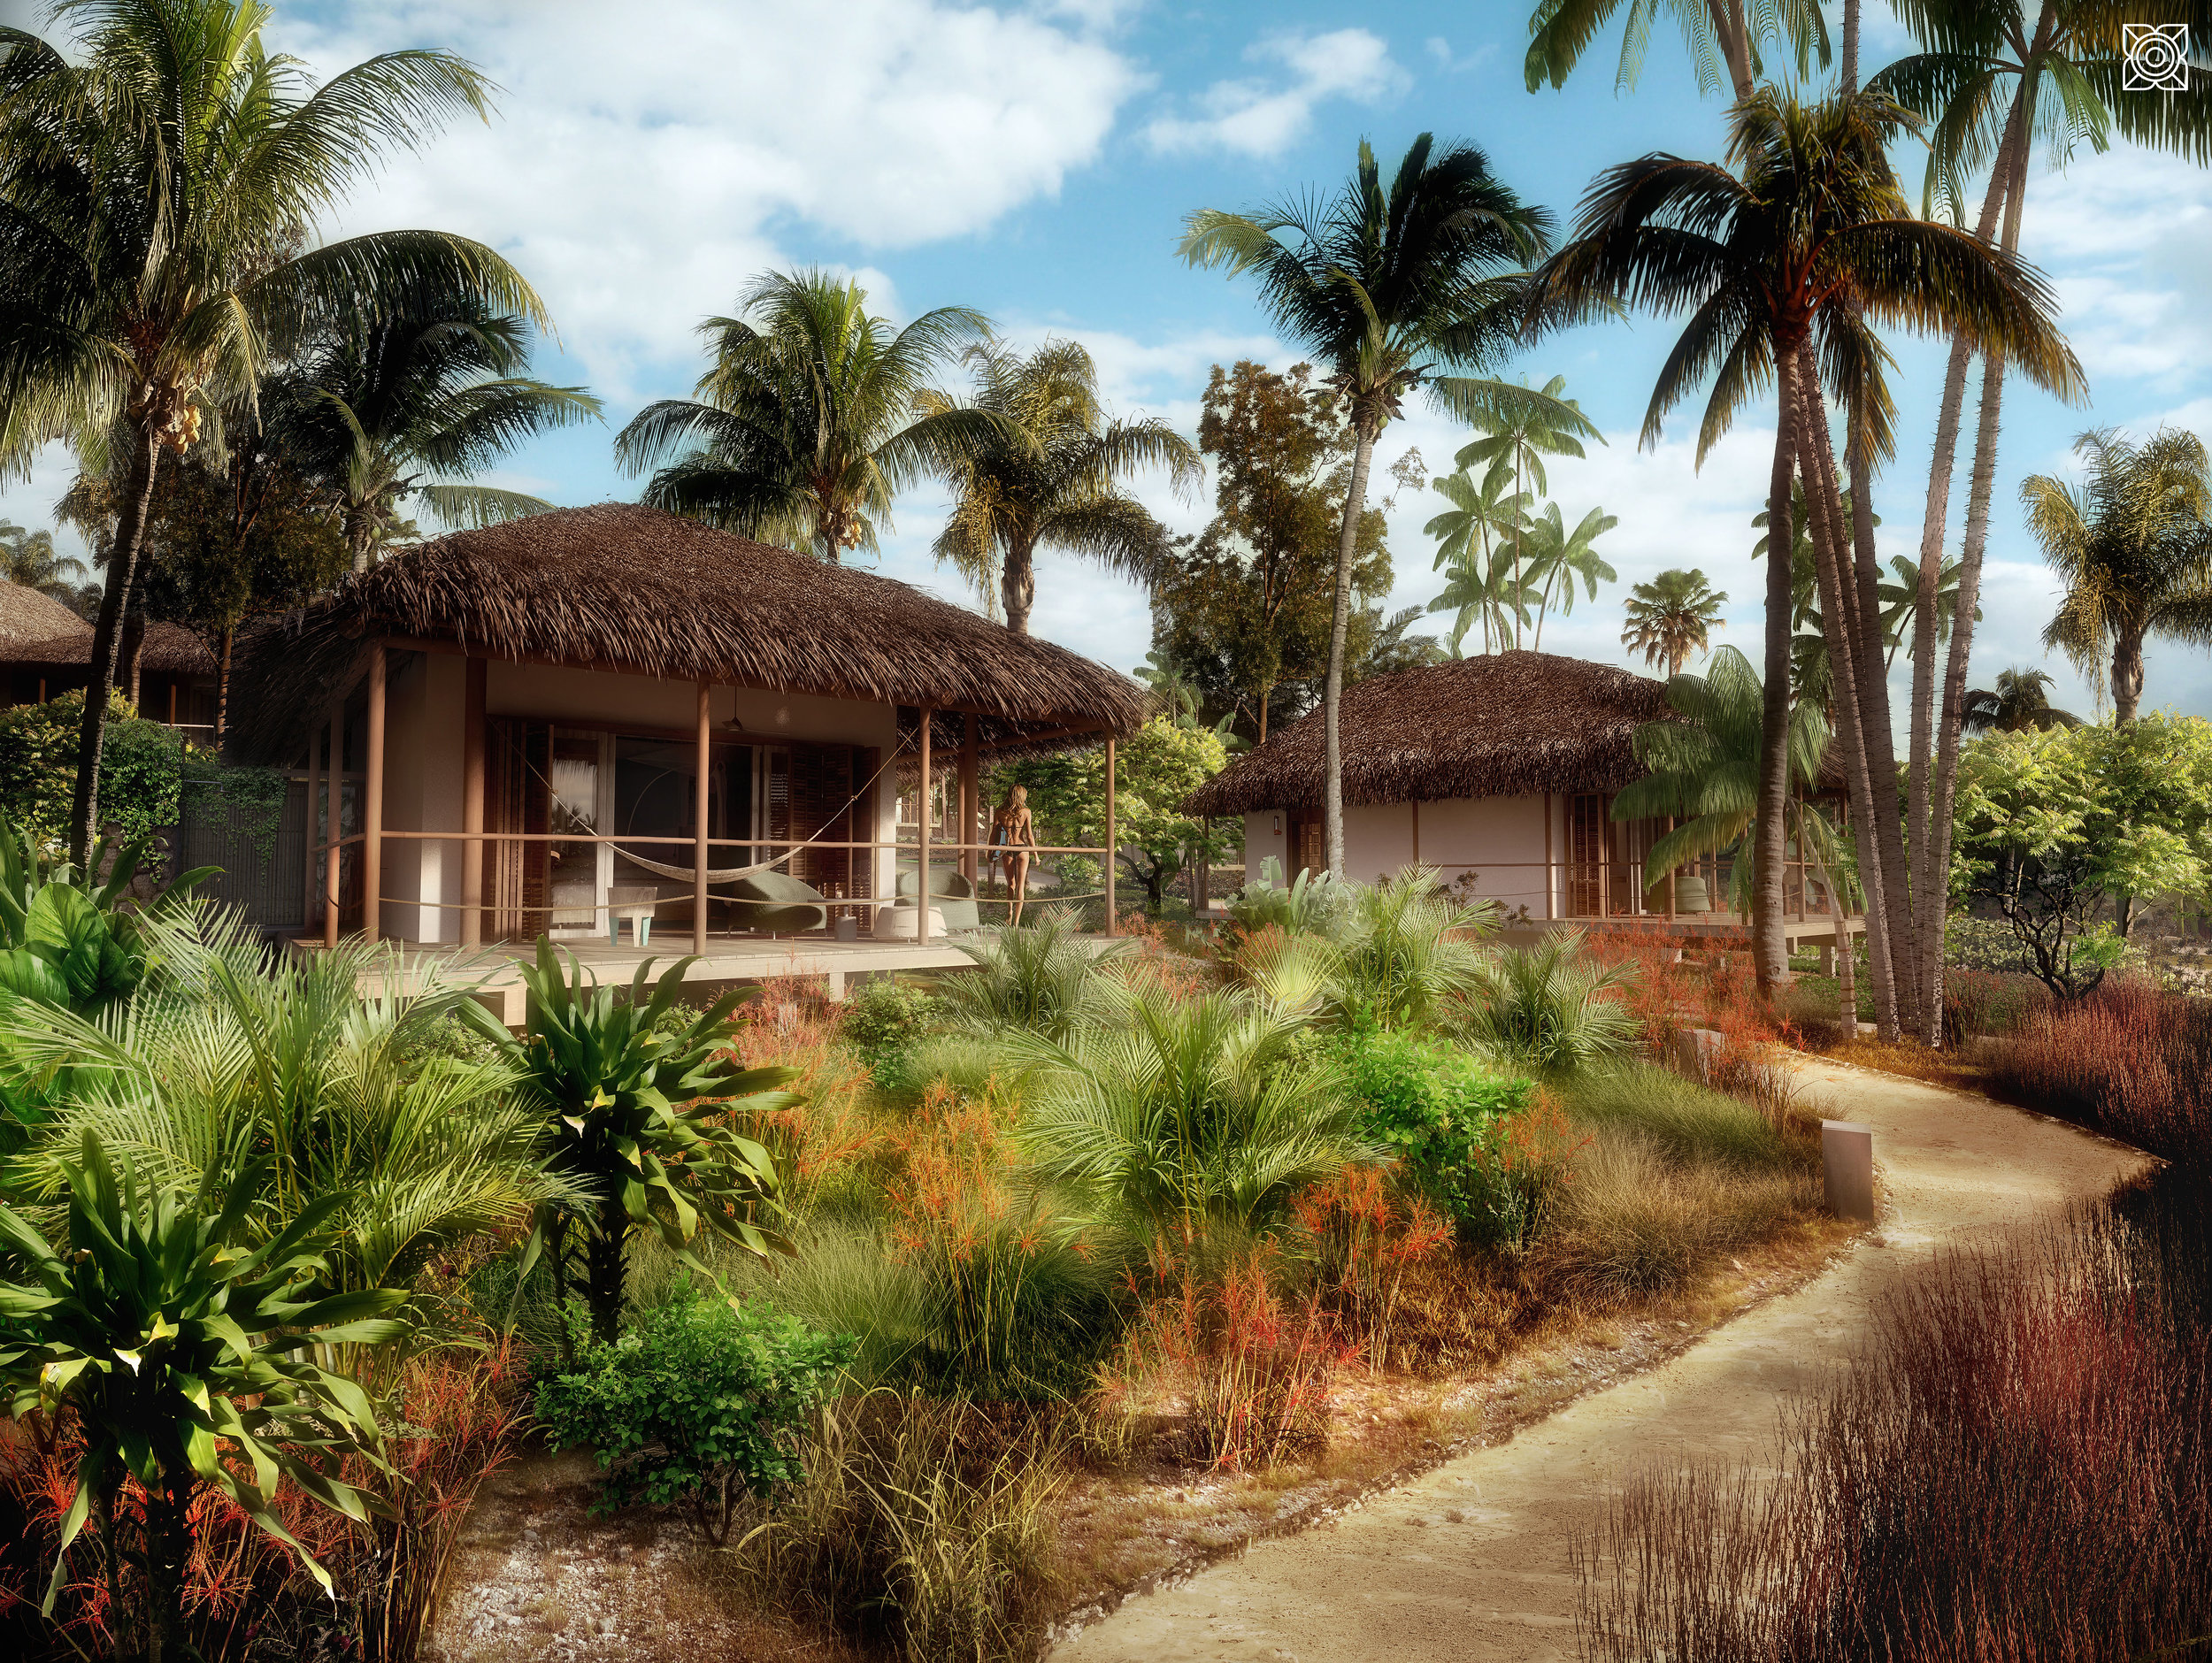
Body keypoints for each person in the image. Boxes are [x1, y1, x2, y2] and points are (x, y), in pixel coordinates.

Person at [991, 785, 1037, 924]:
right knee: (1020, 886)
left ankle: (1009, 911)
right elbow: (1029, 836)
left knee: (1011, 884)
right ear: (1022, 795)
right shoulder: (1026, 812)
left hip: (1008, 849)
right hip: (1022, 849)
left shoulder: (1000, 811)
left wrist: (990, 851)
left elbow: (995, 834)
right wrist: (1035, 854)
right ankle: (1016, 922)